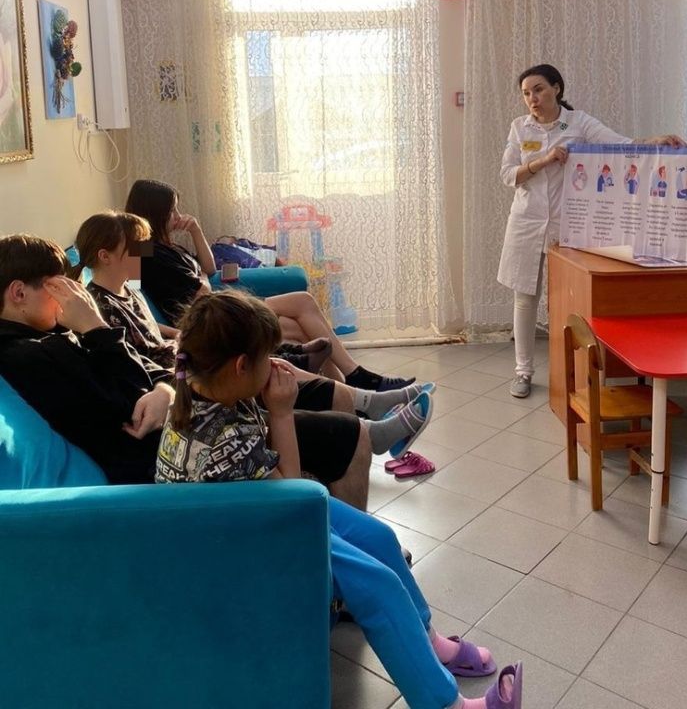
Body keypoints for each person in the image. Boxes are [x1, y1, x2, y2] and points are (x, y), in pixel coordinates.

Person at [155, 290, 522, 709]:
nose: (275, 364)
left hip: (256, 516)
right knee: (378, 587)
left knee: (379, 538)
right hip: (240, 550)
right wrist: (281, 411)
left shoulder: (210, 395)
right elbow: (294, 495)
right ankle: (445, 703)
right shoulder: (224, 436)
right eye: (267, 358)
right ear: (240, 366)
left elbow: (281, 494)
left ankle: (427, 641)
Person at [72, 211, 434, 509]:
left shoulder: (130, 291)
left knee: (293, 345)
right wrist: (280, 411)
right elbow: (293, 498)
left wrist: (181, 335)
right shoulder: (101, 308)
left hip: (191, 356)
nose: (144, 252)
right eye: (135, 247)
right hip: (191, 363)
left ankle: (362, 406)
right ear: (106, 256)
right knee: (289, 346)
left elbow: (153, 335)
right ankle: (359, 405)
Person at [497, 63, 685, 399]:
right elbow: (509, 175)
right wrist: (543, 160)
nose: (532, 99)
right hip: (526, 221)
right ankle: (523, 371)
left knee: (569, 299)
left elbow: (621, 145)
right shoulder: (519, 127)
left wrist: (654, 142)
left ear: (556, 88)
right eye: (526, 93)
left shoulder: (578, 123)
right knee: (524, 297)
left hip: (567, 223)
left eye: (538, 89)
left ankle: (572, 373)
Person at [124, 179, 415, 392]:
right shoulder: (148, 253)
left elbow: (209, 270)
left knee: (303, 329)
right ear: (155, 213)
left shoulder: (162, 247)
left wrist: (196, 231)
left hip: (217, 308)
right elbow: (201, 289)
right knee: (303, 301)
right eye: (172, 212)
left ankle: (351, 392)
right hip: (211, 318)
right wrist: (198, 281)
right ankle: (358, 379)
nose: (178, 217)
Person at [0, 234, 174, 483]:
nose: (72, 296)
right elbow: (132, 406)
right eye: (59, 287)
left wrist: (165, 388)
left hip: (168, 441)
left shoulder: (55, 332)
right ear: (19, 293)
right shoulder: (26, 356)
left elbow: (149, 370)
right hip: (157, 468)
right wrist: (96, 328)